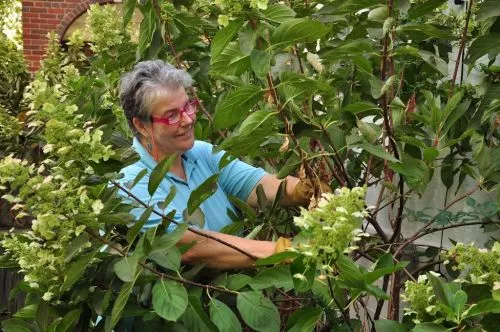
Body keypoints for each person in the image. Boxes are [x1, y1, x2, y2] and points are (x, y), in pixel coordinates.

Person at [118, 60, 329, 270]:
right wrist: (284, 251)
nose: (189, 119)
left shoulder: (200, 152)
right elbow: (191, 246)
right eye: (172, 115)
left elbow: (256, 185)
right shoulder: (130, 186)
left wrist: (304, 191)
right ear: (141, 125)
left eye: (188, 106)